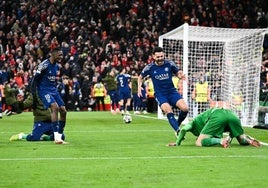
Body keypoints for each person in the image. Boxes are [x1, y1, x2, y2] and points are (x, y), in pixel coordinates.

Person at [137, 47, 188, 135]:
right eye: (158, 57)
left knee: (185, 108)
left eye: (161, 56)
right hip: (160, 94)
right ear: (153, 56)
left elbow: (177, 72)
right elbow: (140, 77)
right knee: (168, 110)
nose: (160, 58)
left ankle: (177, 125)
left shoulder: (170, 63)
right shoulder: (149, 67)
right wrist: (139, 87)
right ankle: (178, 132)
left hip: (172, 91)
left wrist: (180, 76)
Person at [168, 108, 261, 148]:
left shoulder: (193, 122)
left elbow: (183, 129)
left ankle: (221, 141)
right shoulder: (203, 121)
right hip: (232, 114)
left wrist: (177, 143)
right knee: (241, 140)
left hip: (217, 116)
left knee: (199, 142)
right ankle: (248, 139)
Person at [30, 47, 67, 144]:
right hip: (44, 91)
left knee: (63, 110)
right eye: (59, 55)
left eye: (62, 55)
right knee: (54, 108)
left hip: (53, 90)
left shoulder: (56, 66)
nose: (61, 57)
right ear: (53, 54)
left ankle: (59, 136)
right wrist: (33, 93)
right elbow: (35, 79)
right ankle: (56, 137)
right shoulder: (43, 65)